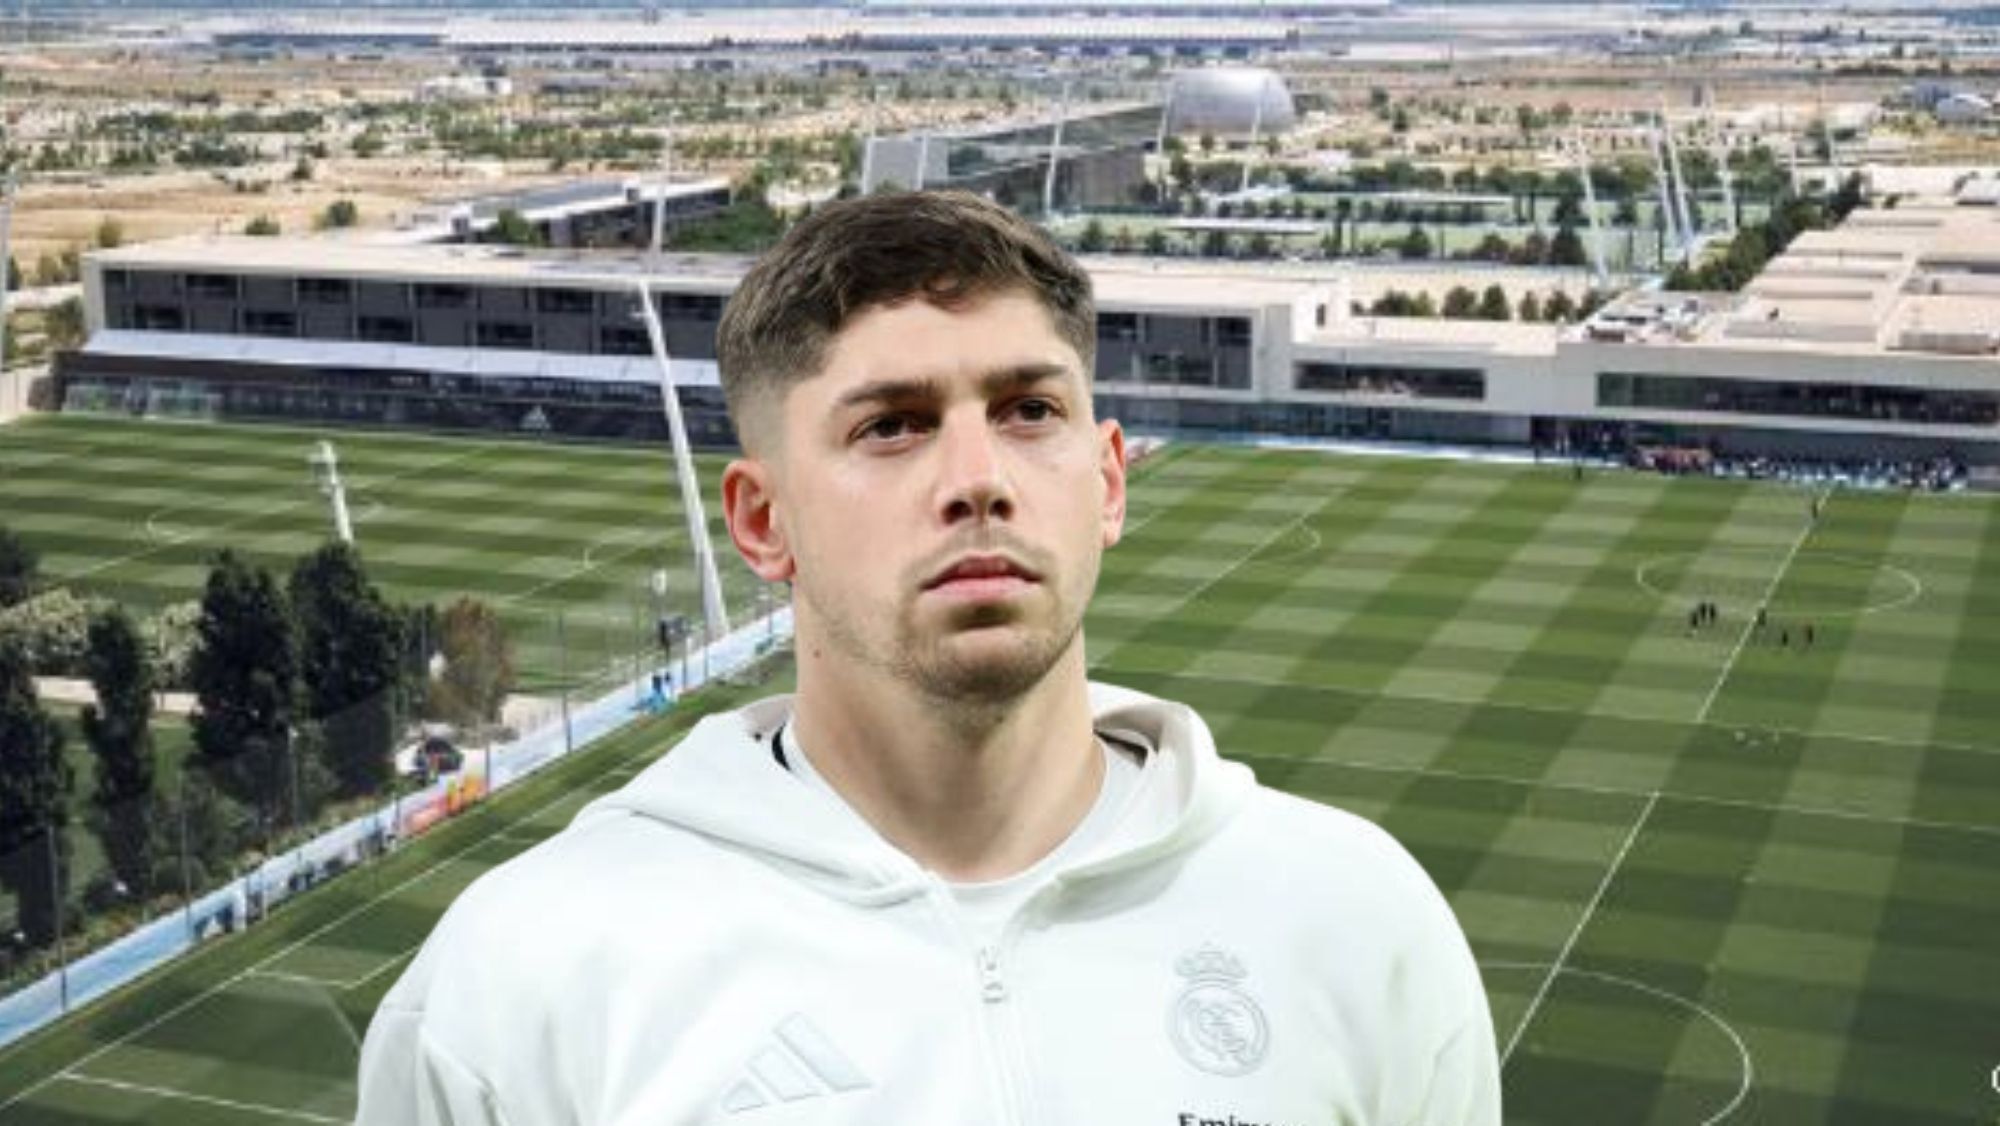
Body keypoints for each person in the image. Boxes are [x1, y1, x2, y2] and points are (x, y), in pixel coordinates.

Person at [355, 190, 1499, 1124]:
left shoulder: (1354, 920)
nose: (976, 476)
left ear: (1105, 481)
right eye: (889, 425)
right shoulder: (525, 977)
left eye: (1027, 409)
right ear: (761, 523)